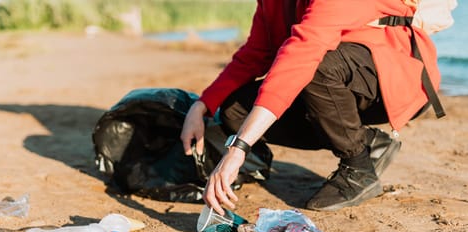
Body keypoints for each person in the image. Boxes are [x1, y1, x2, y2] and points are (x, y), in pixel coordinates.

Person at [180, 0, 442, 214]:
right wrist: (202, 105)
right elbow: (255, 54)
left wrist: (238, 148)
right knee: (234, 110)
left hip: (397, 76)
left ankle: (358, 168)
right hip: (336, 74)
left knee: (315, 66)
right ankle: (367, 142)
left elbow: (302, 54)